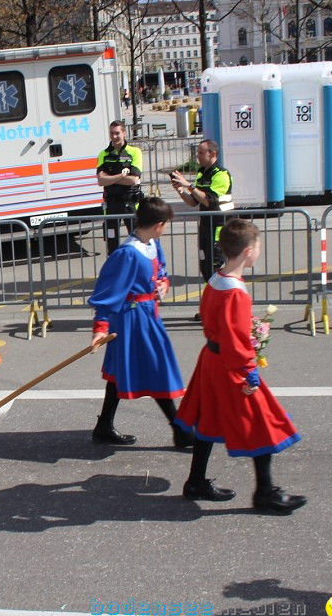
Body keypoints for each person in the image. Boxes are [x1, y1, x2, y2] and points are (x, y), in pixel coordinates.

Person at [174, 218, 306, 513]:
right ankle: (265, 493)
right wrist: (248, 370)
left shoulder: (215, 280)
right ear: (248, 251)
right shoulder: (235, 291)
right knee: (262, 423)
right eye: (257, 247)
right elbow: (235, 339)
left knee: (207, 420)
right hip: (230, 366)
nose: (258, 252)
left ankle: (196, 480)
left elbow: (217, 324)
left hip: (211, 360)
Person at [89, 197, 193, 447]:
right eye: (166, 223)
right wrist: (100, 327)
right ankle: (180, 429)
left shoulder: (152, 245)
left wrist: (163, 285)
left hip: (147, 314)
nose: (166, 228)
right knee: (158, 370)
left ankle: (104, 426)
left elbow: (161, 273)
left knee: (118, 372)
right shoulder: (127, 254)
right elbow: (108, 292)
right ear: (158, 224)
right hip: (132, 319)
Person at [170, 139, 235, 319]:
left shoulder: (222, 174)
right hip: (205, 225)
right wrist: (180, 190)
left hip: (219, 226)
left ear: (212, 154)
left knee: (215, 267)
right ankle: (211, 307)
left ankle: (218, 309)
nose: (197, 156)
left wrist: (188, 185)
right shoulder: (201, 173)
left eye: (201, 153)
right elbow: (193, 202)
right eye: (197, 153)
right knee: (206, 268)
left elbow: (209, 201)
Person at [96, 120, 144, 253]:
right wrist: (121, 176)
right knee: (112, 244)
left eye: (117, 133)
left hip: (130, 202)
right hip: (111, 203)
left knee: (136, 242)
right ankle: (115, 272)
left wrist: (110, 178)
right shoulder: (104, 154)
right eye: (112, 133)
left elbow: (134, 179)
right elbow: (100, 181)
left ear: (124, 133)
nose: (114, 136)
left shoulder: (135, 152)